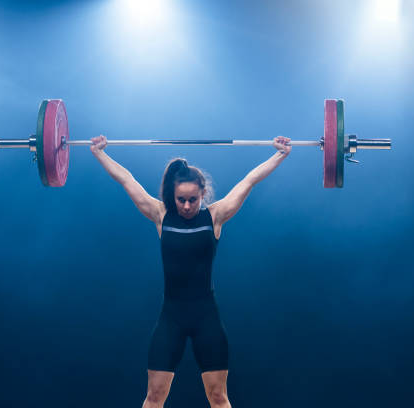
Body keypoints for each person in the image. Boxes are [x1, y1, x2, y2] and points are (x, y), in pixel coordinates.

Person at [90, 135, 291, 408]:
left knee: (219, 398)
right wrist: (100, 153)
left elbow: (249, 181)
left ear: (203, 194)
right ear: (173, 197)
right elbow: (127, 179)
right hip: (170, 317)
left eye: (193, 199)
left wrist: (279, 155)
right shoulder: (161, 215)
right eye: (181, 199)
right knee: (154, 397)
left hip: (206, 316)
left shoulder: (215, 216)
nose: (186, 206)